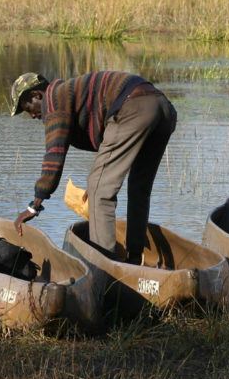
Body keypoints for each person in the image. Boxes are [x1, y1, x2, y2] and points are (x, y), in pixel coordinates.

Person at [10, 71, 176, 262]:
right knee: (139, 188)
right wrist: (97, 176)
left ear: (36, 95)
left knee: (99, 191)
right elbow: (108, 143)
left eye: (26, 107)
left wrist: (34, 206)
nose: (31, 115)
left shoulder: (53, 100)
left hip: (134, 107)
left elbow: (54, 153)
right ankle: (134, 258)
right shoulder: (70, 93)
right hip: (161, 108)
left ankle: (105, 266)